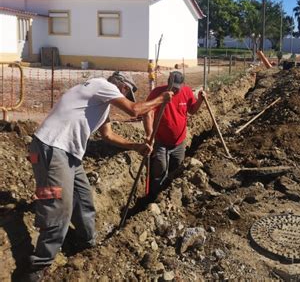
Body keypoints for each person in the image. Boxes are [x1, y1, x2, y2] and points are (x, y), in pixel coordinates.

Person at [26, 71, 173, 281]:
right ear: (122, 87)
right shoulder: (101, 85)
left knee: (83, 198)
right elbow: (134, 109)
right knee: (58, 205)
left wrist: (136, 146)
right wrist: (161, 99)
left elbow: (108, 135)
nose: (123, 97)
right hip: (50, 148)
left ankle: (86, 244)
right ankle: (38, 265)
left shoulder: (99, 103)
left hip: (68, 153)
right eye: (125, 93)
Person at [143, 71, 205, 201]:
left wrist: (200, 100)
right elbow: (148, 114)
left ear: (182, 85)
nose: (175, 91)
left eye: (178, 88)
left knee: (176, 168)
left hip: (179, 142)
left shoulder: (186, 91)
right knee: (160, 168)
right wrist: (150, 135)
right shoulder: (158, 93)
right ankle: (153, 197)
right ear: (168, 83)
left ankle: (168, 195)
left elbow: (192, 110)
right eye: (173, 88)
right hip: (161, 141)